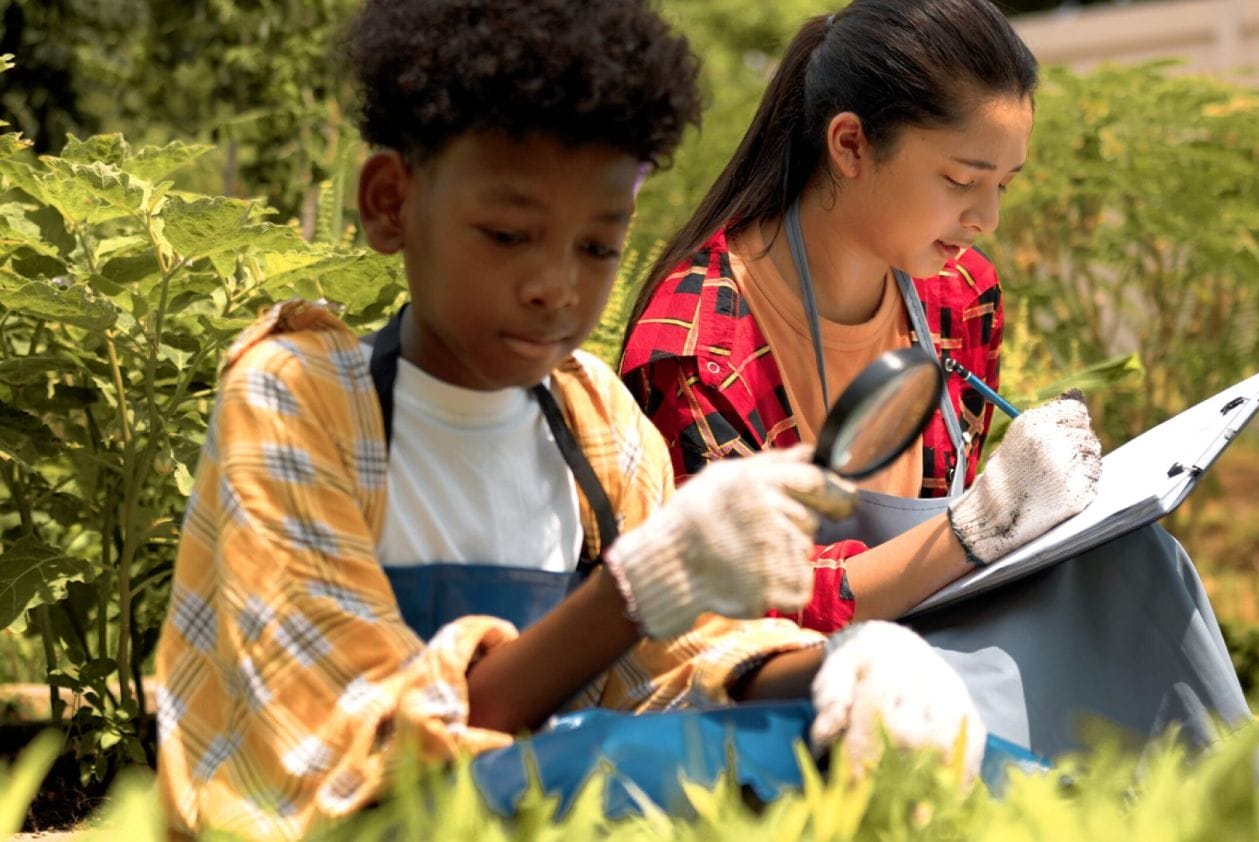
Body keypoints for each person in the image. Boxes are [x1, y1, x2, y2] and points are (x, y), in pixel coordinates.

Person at [154, 1, 996, 837]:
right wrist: (641, 586)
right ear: (390, 203)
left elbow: (680, 665)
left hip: (543, 795)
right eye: (509, 234)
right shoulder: (299, 399)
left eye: (597, 247)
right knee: (660, 764)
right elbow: (368, 756)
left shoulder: (594, 421)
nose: (556, 286)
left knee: (920, 756)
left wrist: (845, 672)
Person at [619, 0, 1259, 789]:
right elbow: (736, 628)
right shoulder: (698, 346)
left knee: (1138, 563)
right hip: (793, 691)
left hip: (932, 622)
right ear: (851, 144)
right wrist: (978, 526)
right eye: (962, 180)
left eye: (1004, 183)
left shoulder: (961, 295)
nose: (987, 217)